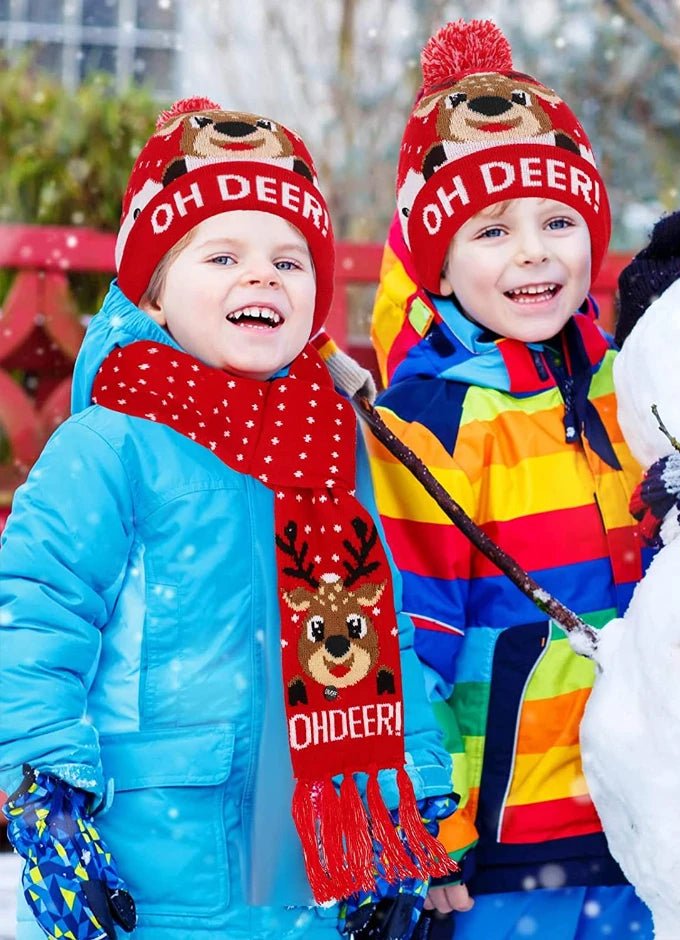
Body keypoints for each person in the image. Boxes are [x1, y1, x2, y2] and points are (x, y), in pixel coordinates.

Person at [0, 97, 455, 940]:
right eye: (222, 255)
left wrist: (408, 808)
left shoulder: (331, 448)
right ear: (158, 297)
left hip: (310, 869)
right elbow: (34, 617)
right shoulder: (111, 447)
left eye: (291, 260)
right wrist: (44, 794)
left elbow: (381, 643)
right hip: (144, 870)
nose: (262, 277)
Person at [365, 20, 655, 940]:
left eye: (558, 222)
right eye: (491, 231)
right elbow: (408, 634)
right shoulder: (425, 421)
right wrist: (428, 819)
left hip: (650, 822)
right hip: (503, 843)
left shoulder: (640, 391)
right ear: (436, 261)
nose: (533, 253)